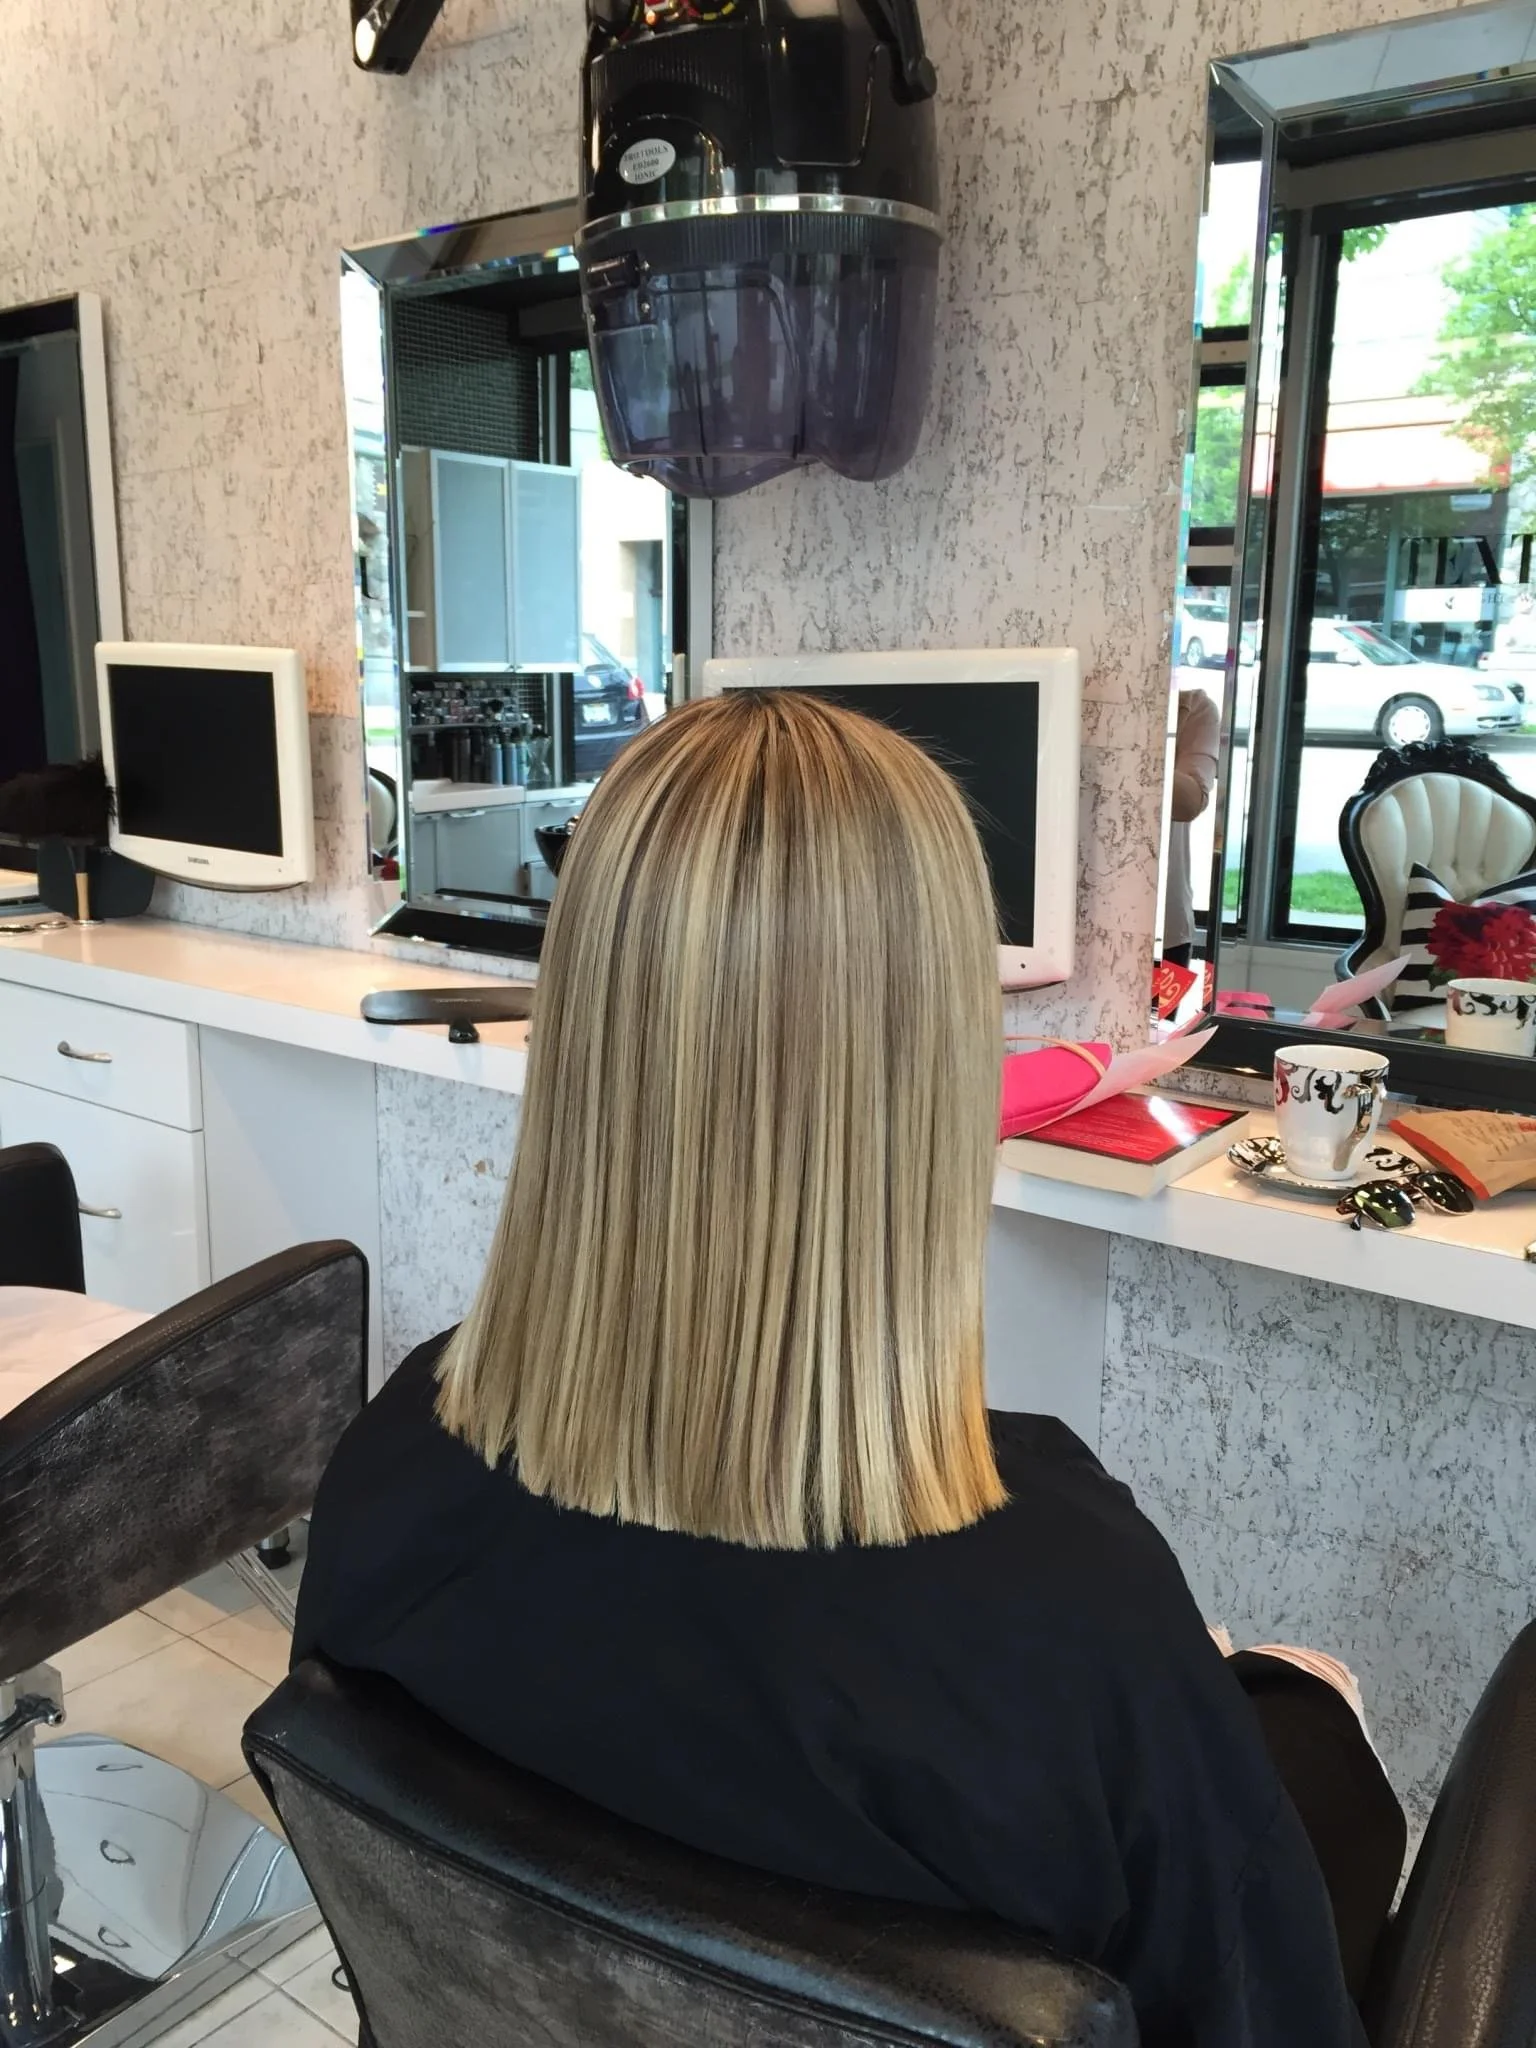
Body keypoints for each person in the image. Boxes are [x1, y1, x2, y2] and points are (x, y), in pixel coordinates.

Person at [295, 691, 1401, 2047]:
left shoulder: (397, 1457)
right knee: (1314, 1709)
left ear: (589, 1031)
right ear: (928, 1075)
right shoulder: (1062, 1615)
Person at [1162, 685, 1221, 969]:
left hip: (1163, 927)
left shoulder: (1192, 708)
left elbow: (1189, 803)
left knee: (1155, 1014)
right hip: (1055, 917)